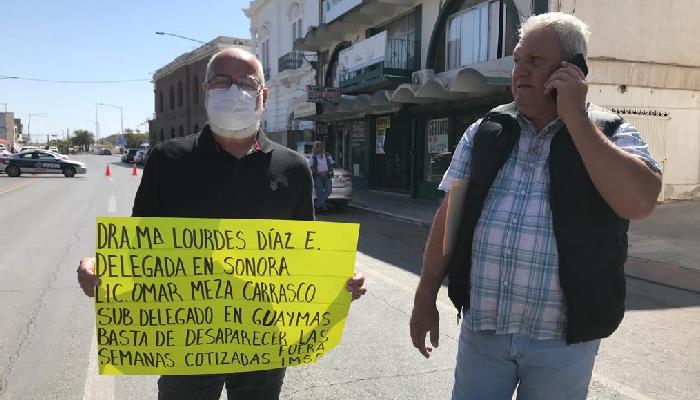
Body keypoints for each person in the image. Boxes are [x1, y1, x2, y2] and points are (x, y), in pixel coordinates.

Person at [77, 48, 366, 400]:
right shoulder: (167, 160)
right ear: (205, 91)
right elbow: (141, 246)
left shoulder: (294, 168)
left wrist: (340, 281)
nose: (234, 91)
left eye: (246, 82)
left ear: (264, 94)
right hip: (186, 339)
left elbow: (305, 257)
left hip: (265, 339)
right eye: (222, 82)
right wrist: (102, 269)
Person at [409, 12, 661, 400]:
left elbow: (640, 202)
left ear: (572, 70)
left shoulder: (611, 132)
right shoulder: (485, 131)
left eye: (535, 61)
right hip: (484, 332)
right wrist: (425, 296)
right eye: (517, 60)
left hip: (562, 343)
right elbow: (449, 218)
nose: (520, 71)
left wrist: (575, 117)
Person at [308, 141, 335, 212]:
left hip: (327, 175)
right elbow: (311, 167)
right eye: (316, 147)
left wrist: (327, 171)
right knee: (319, 193)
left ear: (322, 147)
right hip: (318, 176)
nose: (317, 148)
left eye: (319, 146)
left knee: (329, 191)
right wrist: (318, 173)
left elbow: (331, 164)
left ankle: (316, 205)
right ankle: (324, 208)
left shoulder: (327, 154)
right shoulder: (313, 156)